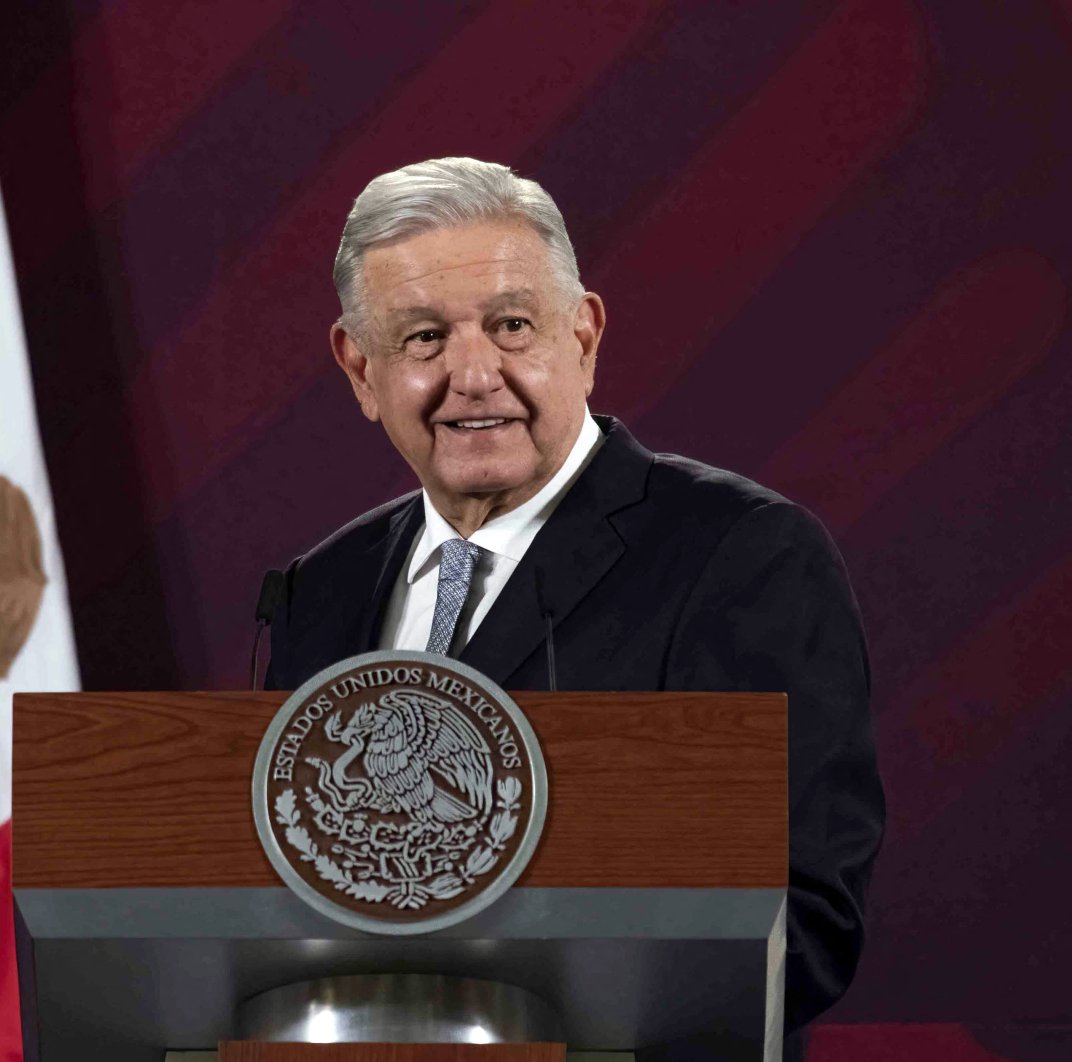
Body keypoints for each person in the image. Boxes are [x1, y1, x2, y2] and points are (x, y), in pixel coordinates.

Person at [263, 157, 884, 1043]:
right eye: (424, 338)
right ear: (361, 369)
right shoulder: (321, 589)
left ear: (584, 336)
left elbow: (803, 921)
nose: (473, 375)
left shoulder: (739, 554)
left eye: (512, 325)